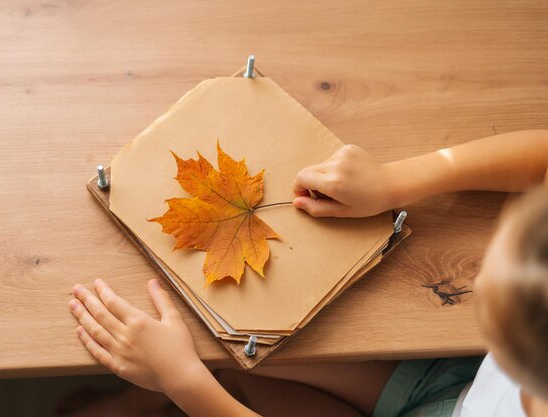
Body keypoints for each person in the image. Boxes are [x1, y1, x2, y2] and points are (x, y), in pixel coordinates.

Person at [66, 130, 548, 417]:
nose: (478, 282)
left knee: (230, 377)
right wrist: (396, 181)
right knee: (242, 346)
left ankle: (156, 401)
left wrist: (183, 383)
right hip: (459, 388)